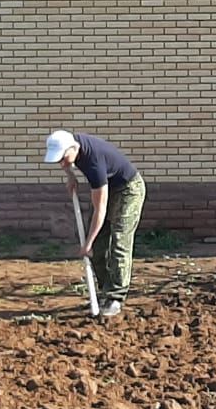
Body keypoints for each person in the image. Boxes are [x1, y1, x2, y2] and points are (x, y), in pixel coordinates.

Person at [44, 130, 147, 318]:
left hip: (128, 191)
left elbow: (100, 210)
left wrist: (87, 244)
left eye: (63, 158)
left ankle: (116, 297)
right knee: (98, 247)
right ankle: (104, 292)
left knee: (119, 243)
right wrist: (70, 175)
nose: (61, 163)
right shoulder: (71, 145)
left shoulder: (94, 164)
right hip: (110, 187)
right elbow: (66, 160)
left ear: (73, 149)